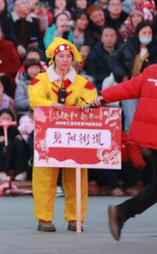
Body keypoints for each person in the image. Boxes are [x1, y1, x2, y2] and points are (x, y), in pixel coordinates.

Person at [29, 38, 97, 232]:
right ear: (53, 58)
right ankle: (44, 218)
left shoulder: (84, 83)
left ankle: (75, 218)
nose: (65, 60)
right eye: (61, 56)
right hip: (47, 135)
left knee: (76, 177)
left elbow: (91, 100)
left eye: (68, 56)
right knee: (44, 178)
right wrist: (51, 105)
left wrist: (86, 105)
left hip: (74, 137)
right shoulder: (41, 80)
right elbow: (34, 99)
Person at [88, 59, 157, 241]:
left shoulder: (151, 72)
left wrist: (104, 97)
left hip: (150, 136)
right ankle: (123, 212)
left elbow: (129, 87)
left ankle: (123, 212)